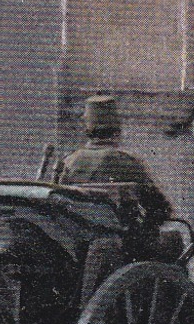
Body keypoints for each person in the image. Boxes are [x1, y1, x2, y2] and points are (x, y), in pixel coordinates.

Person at [57, 94, 175, 258]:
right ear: (117, 130)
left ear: (87, 130)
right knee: (174, 239)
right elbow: (161, 208)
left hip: (76, 248)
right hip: (123, 249)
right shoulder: (127, 161)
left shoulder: (69, 162)